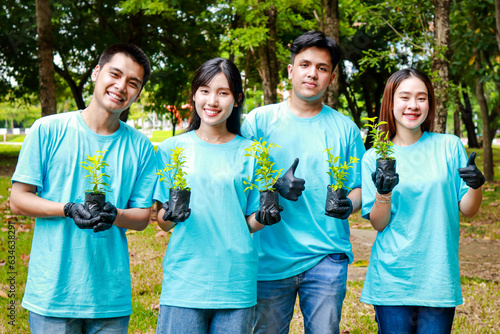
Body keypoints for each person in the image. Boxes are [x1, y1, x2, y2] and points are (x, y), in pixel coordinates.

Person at [10, 44, 156, 333]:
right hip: (53, 295)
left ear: (138, 93)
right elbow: (18, 200)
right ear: (96, 72)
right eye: (114, 74)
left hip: (110, 298)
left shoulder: (142, 147)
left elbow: (142, 218)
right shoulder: (47, 129)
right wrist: (66, 209)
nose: (120, 87)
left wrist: (115, 215)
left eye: (132, 83)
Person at [241, 31, 366, 334]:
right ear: (291, 70)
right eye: (305, 64)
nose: (312, 73)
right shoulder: (258, 122)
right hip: (268, 257)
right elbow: (239, 183)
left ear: (332, 77)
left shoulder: (345, 129)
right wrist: (273, 187)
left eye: (322, 68)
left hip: (326, 255)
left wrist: (350, 203)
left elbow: (360, 187)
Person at [154, 57, 280, 334]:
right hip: (185, 278)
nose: (212, 101)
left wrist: (265, 216)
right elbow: (163, 221)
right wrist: (170, 216)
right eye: (205, 91)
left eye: (223, 93)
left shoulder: (253, 153)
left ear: (236, 100)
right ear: (194, 96)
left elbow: (248, 223)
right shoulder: (170, 150)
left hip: (235, 279)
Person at [360, 68, 484, 333]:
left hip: (438, 276)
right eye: (404, 97)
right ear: (390, 102)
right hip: (391, 278)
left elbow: (468, 209)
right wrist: (383, 193)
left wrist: (475, 185)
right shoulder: (375, 157)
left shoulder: (449, 146)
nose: (413, 105)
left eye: (421, 97)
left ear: (430, 103)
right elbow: (379, 224)